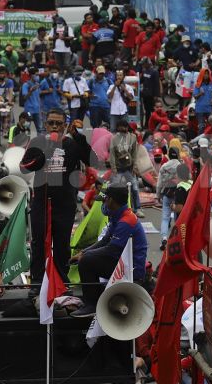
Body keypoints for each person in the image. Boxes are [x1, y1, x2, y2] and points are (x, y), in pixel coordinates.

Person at [23, 108, 96, 289]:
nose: (54, 126)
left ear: (65, 126)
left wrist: (79, 138)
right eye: (51, 123)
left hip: (65, 204)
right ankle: (38, 281)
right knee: (39, 243)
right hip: (41, 203)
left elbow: (92, 161)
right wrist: (42, 155)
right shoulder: (37, 142)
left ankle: (62, 281)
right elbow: (24, 166)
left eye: (58, 123)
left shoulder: (72, 144)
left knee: (62, 244)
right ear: (45, 125)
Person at [72, 186, 147, 317]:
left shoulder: (126, 221)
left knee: (87, 262)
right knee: (86, 258)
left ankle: (92, 305)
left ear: (111, 201)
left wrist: (86, 256)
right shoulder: (118, 216)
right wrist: (83, 252)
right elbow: (105, 240)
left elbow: (112, 248)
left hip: (132, 269)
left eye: (104, 200)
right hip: (122, 261)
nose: (103, 204)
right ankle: (92, 299)